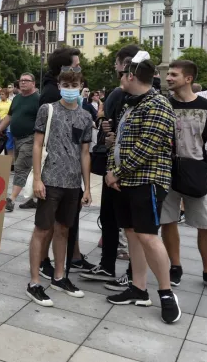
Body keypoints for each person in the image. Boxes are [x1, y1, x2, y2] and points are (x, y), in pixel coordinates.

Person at [104, 57, 181, 324]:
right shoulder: (131, 104)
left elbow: (147, 147)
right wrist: (111, 173)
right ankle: (138, 288)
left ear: (131, 77)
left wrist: (117, 171)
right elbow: (119, 142)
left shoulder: (158, 104)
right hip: (126, 181)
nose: (120, 77)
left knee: (148, 236)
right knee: (133, 234)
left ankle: (166, 292)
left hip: (147, 180)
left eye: (122, 74)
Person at [159, 60, 207, 294]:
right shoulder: (164, 105)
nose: (168, 78)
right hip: (167, 173)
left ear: (188, 78)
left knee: (206, 225)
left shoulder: (206, 107)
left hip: (197, 172)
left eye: (173, 74)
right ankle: (175, 266)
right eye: (168, 74)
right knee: (167, 221)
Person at [26, 68, 92, 306]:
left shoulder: (85, 117)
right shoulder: (48, 109)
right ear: (59, 84)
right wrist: (37, 178)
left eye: (74, 84)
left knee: (64, 230)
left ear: (81, 84)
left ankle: (59, 276)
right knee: (42, 230)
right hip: (50, 179)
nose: (70, 88)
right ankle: (34, 282)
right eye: (66, 83)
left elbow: (85, 153)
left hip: (72, 183)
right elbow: (37, 144)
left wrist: (87, 187)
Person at [81, 45, 140, 287]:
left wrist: (109, 132)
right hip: (120, 168)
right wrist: (107, 130)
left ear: (125, 67)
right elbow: (107, 126)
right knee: (120, 220)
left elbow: (109, 125)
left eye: (117, 66)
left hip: (121, 169)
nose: (115, 71)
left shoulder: (125, 95)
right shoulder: (151, 95)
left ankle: (126, 271)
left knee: (123, 221)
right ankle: (115, 267)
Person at [0, 73, 40, 212]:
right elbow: (10, 116)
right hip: (16, 138)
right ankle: (32, 199)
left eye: (26, 81)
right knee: (27, 168)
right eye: (21, 80)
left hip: (30, 138)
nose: (22, 83)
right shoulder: (16, 99)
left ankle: (11, 199)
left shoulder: (38, 99)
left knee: (21, 167)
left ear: (33, 83)